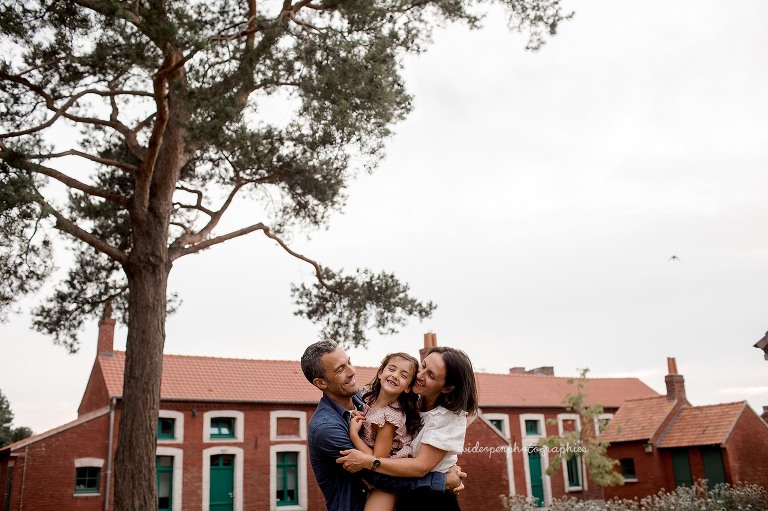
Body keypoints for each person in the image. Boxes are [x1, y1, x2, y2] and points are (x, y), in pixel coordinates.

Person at [301, 341, 465, 511]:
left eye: (349, 362)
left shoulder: (366, 398)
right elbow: (378, 475)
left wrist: (446, 464)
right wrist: (441, 481)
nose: (352, 371)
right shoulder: (326, 428)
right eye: (340, 369)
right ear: (321, 383)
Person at [349, 352, 422, 510]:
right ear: (381, 372)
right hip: (370, 474)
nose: (395, 376)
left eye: (404, 375)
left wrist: (354, 435)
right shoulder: (368, 396)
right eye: (392, 369)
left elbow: (377, 460)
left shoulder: (389, 419)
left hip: (387, 478)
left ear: (408, 387)